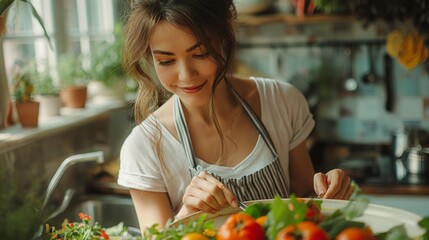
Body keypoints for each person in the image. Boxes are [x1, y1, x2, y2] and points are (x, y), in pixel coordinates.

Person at [118, 0, 352, 231]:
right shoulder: (144, 146)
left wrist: (328, 194)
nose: (186, 75)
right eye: (166, 61)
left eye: (200, 53)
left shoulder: (281, 101)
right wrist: (185, 216)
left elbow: (306, 200)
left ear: (228, 24)